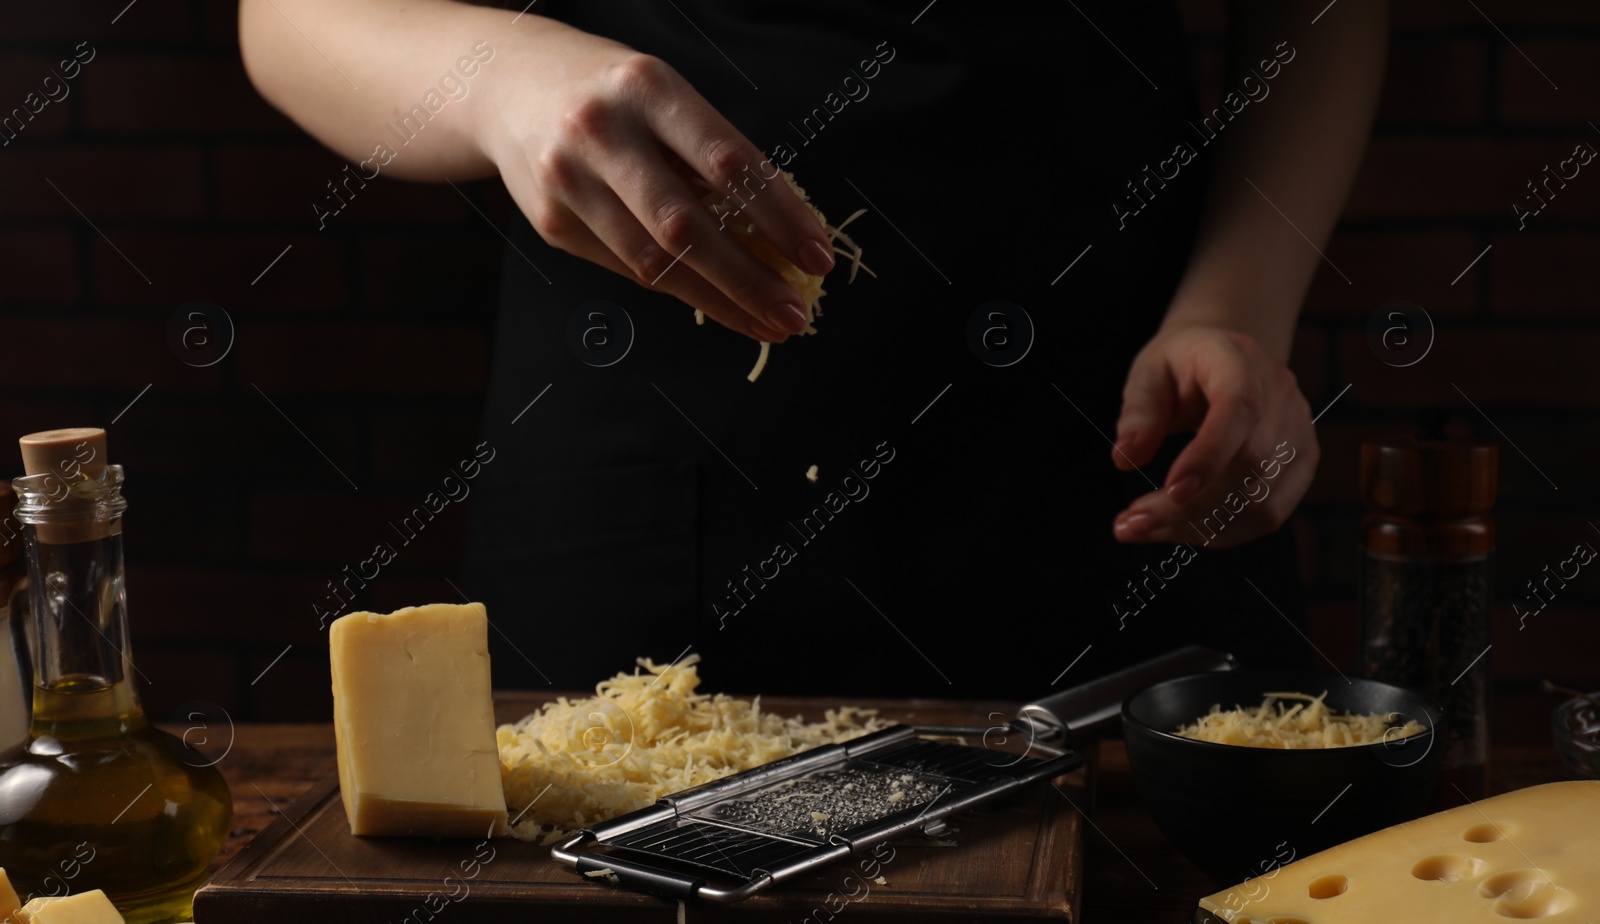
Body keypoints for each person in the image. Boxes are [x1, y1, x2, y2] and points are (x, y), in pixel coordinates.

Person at [240, 0, 1387, 698]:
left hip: (1115, 410)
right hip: (641, 448)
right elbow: (285, 15)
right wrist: (497, 78)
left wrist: (1236, 309)